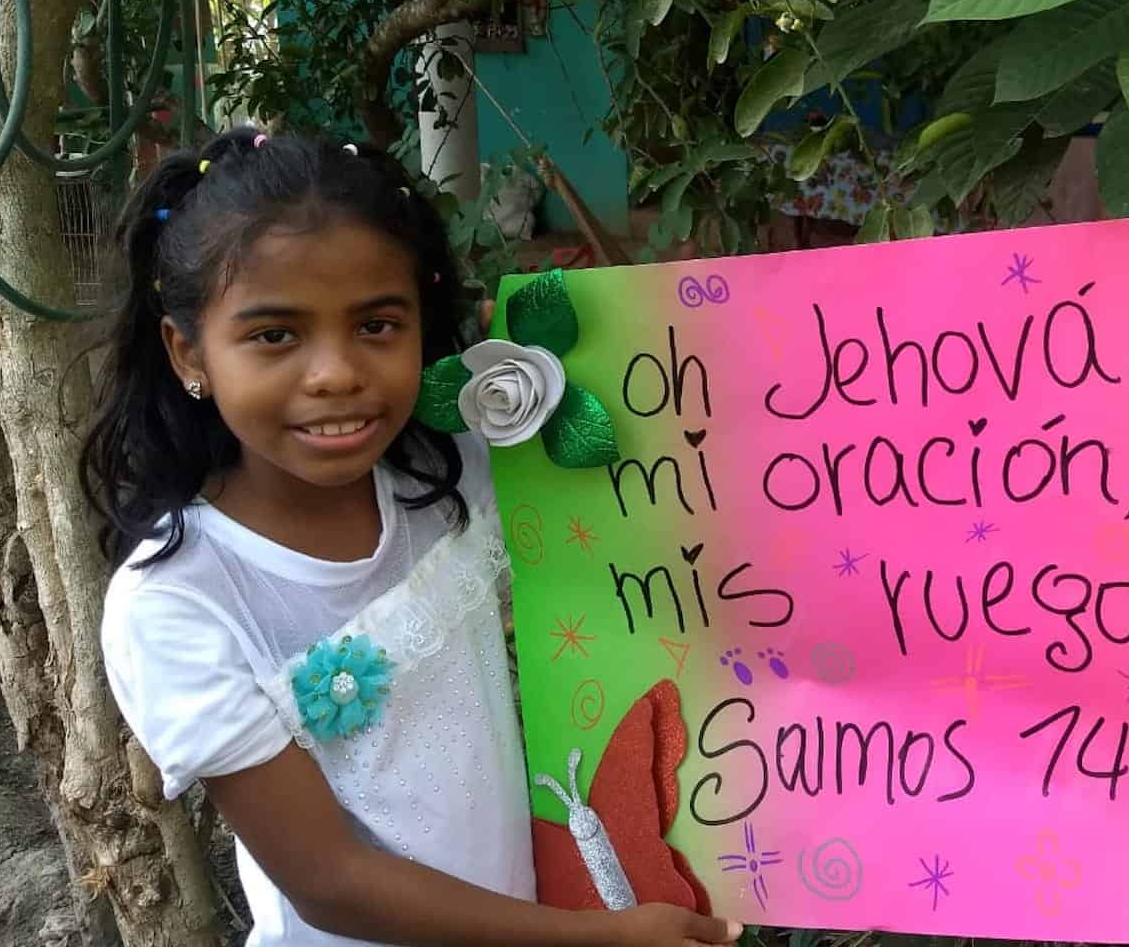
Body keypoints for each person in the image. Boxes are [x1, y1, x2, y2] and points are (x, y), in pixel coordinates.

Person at [82, 128, 741, 947]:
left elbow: (648, 454)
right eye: (275, 335)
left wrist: (599, 349)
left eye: (378, 325)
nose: (337, 373)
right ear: (189, 352)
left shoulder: (448, 473)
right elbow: (329, 882)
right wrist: (589, 939)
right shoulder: (182, 601)